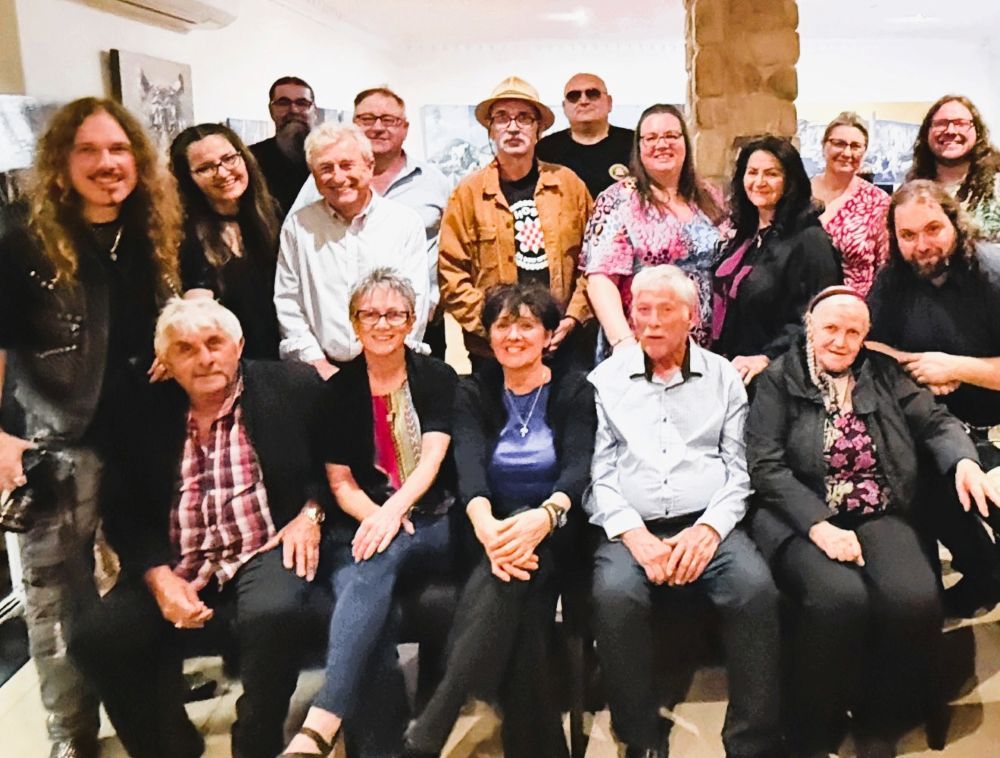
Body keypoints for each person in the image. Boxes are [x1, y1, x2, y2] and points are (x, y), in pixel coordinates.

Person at [0, 97, 181, 758]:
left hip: (148, 440)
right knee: (56, 603)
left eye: (118, 149)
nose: (107, 163)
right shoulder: (20, 239)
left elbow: (171, 306)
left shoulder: (153, 228)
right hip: (57, 446)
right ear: (60, 162)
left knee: (146, 579)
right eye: (89, 150)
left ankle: (157, 710)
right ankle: (70, 732)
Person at [70, 297, 329, 758]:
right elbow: (122, 510)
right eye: (186, 349)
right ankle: (167, 746)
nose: (205, 358)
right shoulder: (141, 412)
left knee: (275, 612)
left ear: (238, 346)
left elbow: (334, 462)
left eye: (214, 343)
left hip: (261, 547)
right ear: (165, 362)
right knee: (94, 637)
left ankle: (256, 741)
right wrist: (157, 576)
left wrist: (311, 513)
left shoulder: (289, 386)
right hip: (178, 560)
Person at [747, 286, 999, 756]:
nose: (840, 341)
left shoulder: (883, 373)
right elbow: (765, 467)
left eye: (853, 332)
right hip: (799, 515)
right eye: (830, 328)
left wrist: (964, 461)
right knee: (838, 599)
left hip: (877, 508)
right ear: (810, 327)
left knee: (914, 602)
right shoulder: (778, 380)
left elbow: (936, 422)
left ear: (865, 336)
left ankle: (881, 721)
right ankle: (811, 727)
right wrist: (819, 524)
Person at [586, 265, 782, 758]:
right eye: (642, 310)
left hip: (708, 521)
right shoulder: (606, 381)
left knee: (755, 590)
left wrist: (709, 530)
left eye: (665, 310)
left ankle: (751, 740)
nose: (651, 322)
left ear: (692, 317)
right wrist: (634, 535)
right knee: (614, 596)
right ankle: (639, 734)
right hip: (631, 526)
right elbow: (599, 475)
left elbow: (740, 470)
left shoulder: (723, 377)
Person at [403, 283, 596, 758]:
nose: (514, 336)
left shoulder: (574, 389)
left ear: (548, 335)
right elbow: (469, 469)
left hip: (558, 529)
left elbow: (578, 468)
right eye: (503, 325)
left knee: (513, 581)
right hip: (488, 527)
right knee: (521, 607)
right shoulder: (473, 390)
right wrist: (488, 527)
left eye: (526, 325)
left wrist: (545, 517)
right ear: (488, 335)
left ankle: (434, 723)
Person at [278, 269, 457, 757]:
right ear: (355, 323)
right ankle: (383, 746)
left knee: (373, 556)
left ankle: (323, 720)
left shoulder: (436, 377)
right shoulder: (336, 393)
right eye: (371, 314)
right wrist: (376, 516)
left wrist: (391, 513)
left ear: (411, 321)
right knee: (372, 589)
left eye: (394, 314)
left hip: (434, 516)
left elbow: (434, 458)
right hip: (367, 516)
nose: (383, 324)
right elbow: (341, 482)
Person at [866, 179, 1000, 615]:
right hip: (931, 426)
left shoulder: (993, 272)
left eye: (932, 229)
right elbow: (871, 346)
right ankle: (981, 575)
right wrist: (919, 367)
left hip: (995, 429)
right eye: (907, 235)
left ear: (955, 223)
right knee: (918, 478)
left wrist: (956, 367)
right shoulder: (893, 280)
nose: (922, 245)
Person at [438, 76, 592, 366]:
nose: (512, 127)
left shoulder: (569, 186)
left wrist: (573, 317)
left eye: (524, 118)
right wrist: (499, 327)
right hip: (492, 352)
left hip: (563, 345)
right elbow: (451, 275)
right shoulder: (468, 194)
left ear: (538, 129)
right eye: (502, 118)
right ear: (490, 129)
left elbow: (593, 262)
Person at [290, 87, 452, 359]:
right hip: (337, 335)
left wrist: (433, 302)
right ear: (354, 124)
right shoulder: (322, 183)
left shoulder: (435, 182)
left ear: (405, 128)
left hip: (417, 327)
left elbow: (450, 250)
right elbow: (297, 249)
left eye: (388, 120)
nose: (377, 128)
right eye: (367, 119)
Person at [274, 122, 430, 380]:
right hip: (320, 371)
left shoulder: (404, 223)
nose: (337, 177)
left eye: (347, 165)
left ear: (369, 166)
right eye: (326, 168)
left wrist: (390, 361)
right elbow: (289, 301)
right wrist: (316, 362)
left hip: (391, 366)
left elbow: (416, 299)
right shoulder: (299, 227)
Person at [582, 103, 727, 354]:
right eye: (651, 138)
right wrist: (623, 343)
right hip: (642, 348)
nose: (662, 144)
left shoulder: (710, 196)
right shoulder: (619, 200)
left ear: (685, 142)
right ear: (639, 146)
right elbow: (600, 280)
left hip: (707, 351)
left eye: (671, 136)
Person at [713, 135, 841, 385]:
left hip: (779, 377)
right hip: (736, 370)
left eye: (771, 174)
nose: (759, 182)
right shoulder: (746, 234)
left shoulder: (810, 240)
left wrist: (767, 357)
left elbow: (818, 317)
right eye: (752, 172)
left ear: (790, 181)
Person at [170, 123, 282, 359]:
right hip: (231, 361)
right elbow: (197, 306)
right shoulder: (186, 235)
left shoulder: (273, 214)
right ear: (187, 178)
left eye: (229, 159)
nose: (222, 173)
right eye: (205, 168)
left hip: (284, 356)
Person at [810, 112, 890, 296]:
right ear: (824, 146)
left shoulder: (878, 202)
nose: (847, 153)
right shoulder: (799, 193)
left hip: (854, 306)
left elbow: (886, 269)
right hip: (800, 305)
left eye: (855, 146)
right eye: (839, 143)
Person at [908, 94, 1000, 241]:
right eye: (941, 123)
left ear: (977, 131)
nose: (950, 131)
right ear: (927, 132)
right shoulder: (912, 189)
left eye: (960, 123)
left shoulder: (996, 185)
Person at [536, 72, 634, 198]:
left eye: (592, 94)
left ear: (609, 102)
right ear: (564, 107)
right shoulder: (545, 149)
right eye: (574, 96)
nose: (583, 101)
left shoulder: (635, 143)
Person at [250, 76, 318, 219]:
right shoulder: (251, 158)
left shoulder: (331, 156)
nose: (293, 110)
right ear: (271, 110)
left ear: (314, 110)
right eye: (283, 103)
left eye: (302, 103)